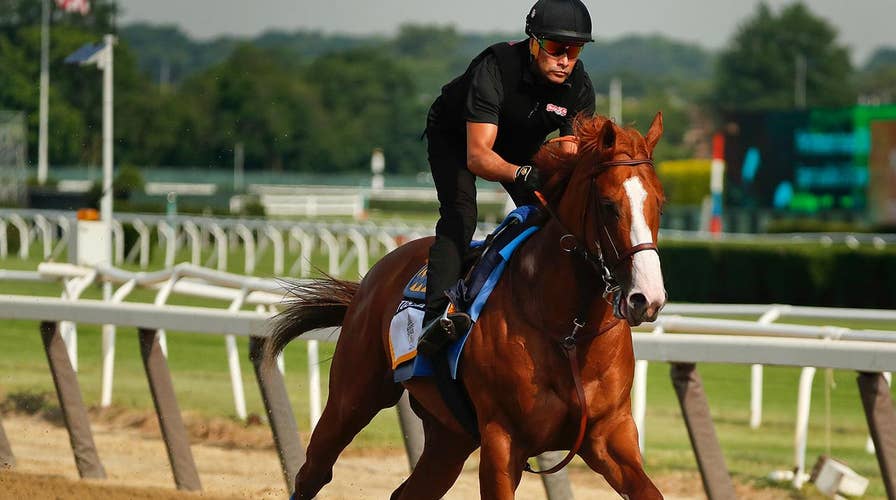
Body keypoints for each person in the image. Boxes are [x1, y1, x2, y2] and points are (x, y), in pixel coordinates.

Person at [417, 0, 597, 355]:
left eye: (573, 50)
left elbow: (572, 152)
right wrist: (520, 172)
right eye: (556, 48)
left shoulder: (579, 87)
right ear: (533, 41)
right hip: (459, 140)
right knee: (461, 216)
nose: (564, 59)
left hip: (519, 143)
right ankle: (435, 317)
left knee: (552, 219)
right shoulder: (495, 69)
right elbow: (479, 156)